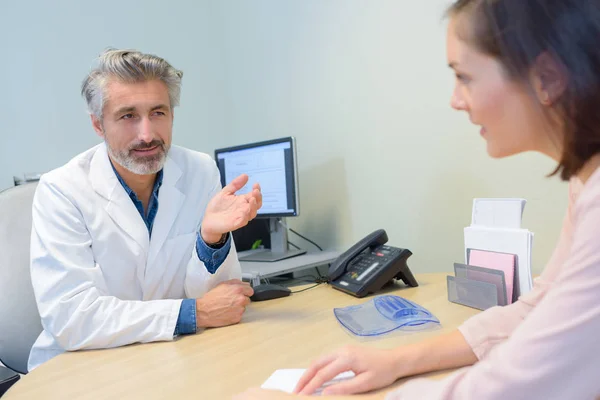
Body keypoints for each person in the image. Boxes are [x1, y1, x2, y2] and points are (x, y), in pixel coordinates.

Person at [235, 1, 600, 399]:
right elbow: (537, 310)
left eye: (464, 77)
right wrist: (397, 361)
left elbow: (516, 387)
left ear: (546, 77)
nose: (455, 100)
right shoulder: (586, 181)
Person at [28, 49, 262, 371]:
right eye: (128, 116)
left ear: (172, 115)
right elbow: (73, 318)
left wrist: (211, 238)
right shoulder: (62, 190)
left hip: (172, 357)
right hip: (84, 366)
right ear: (98, 124)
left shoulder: (200, 170)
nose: (147, 134)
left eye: (158, 113)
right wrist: (193, 313)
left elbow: (225, 299)